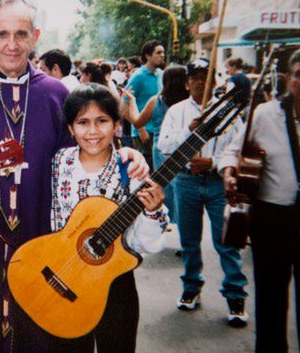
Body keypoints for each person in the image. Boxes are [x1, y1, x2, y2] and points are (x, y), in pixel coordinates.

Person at [0, 0, 148, 353]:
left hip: (41, 235)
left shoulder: (55, 94)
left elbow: (85, 148)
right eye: (3, 34)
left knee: (40, 328)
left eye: (21, 34)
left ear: (36, 37)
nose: (12, 44)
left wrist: (122, 151)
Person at [50, 84, 168, 352]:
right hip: (63, 280)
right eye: (83, 122)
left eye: (102, 121)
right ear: (70, 128)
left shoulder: (133, 171)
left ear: (117, 125)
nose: (92, 132)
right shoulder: (58, 163)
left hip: (116, 286)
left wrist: (152, 211)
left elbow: (148, 244)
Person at [157, 58, 248, 327]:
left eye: (205, 76)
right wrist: (189, 129)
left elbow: (238, 148)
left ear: (215, 80)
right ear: (187, 83)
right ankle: (191, 286)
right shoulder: (177, 111)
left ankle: (235, 294)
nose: (200, 81)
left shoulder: (229, 111)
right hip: (186, 180)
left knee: (226, 242)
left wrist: (214, 162)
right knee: (189, 241)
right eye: (194, 77)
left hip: (217, 182)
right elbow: (164, 146)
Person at [219, 49, 300, 351]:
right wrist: (229, 173)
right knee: (271, 300)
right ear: (288, 80)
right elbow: (231, 150)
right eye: (298, 75)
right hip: (272, 219)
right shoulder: (266, 114)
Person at [122, 64, 189, 226]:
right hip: (186, 147)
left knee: (165, 187)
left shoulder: (156, 101)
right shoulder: (189, 102)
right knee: (184, 188)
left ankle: (168, 222)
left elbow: (137, 122)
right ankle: (184, 224)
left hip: (161, 149)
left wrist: (132, 102)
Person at [122, 40, 166, 169]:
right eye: (158, 52)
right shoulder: (138, 76)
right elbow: (124, 107)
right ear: (148, 56)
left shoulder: (161, 74)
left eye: (163, 52)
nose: (162, 55)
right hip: (144, 134)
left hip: (159, 132)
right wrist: (141, 129)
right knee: (146, 173)